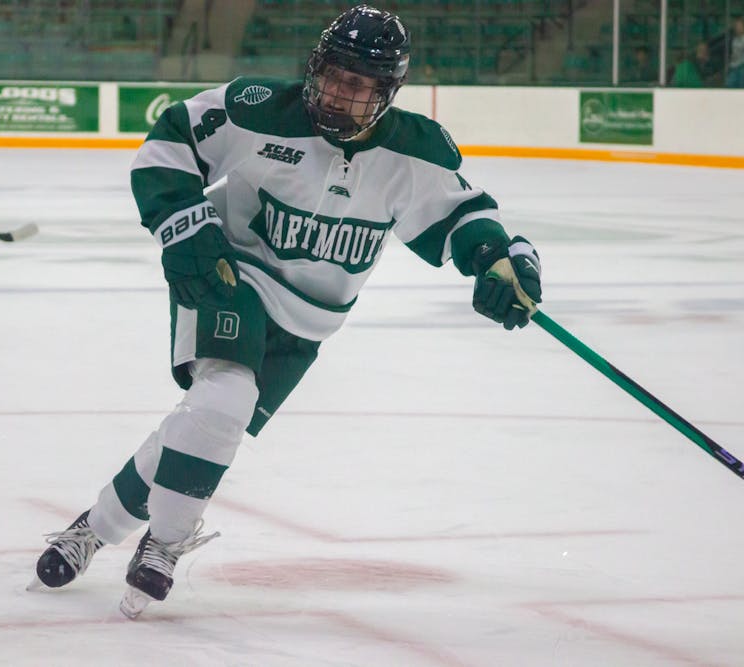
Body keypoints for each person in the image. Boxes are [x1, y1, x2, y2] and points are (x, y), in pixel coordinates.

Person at [29, 4, 543, 619]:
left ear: (387, 92)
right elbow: (170, 139)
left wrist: (500, 261)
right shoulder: (259, 109)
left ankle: (93, 527)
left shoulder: (416, 151)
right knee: (224, 399)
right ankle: (163, 543)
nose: (338, 94)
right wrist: (184, 228)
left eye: (359, 85)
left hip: (311, 323)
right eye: (333, 75)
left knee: (207, 425)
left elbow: (465, 216)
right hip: (230, 273)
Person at [726, 16, 744, 88]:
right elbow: (734, 53)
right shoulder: (735, 40)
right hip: (734, 66)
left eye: (740, 26)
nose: (737, 28)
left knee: (741, 87)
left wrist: (741, 61)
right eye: (736, 26)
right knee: (729, 84)